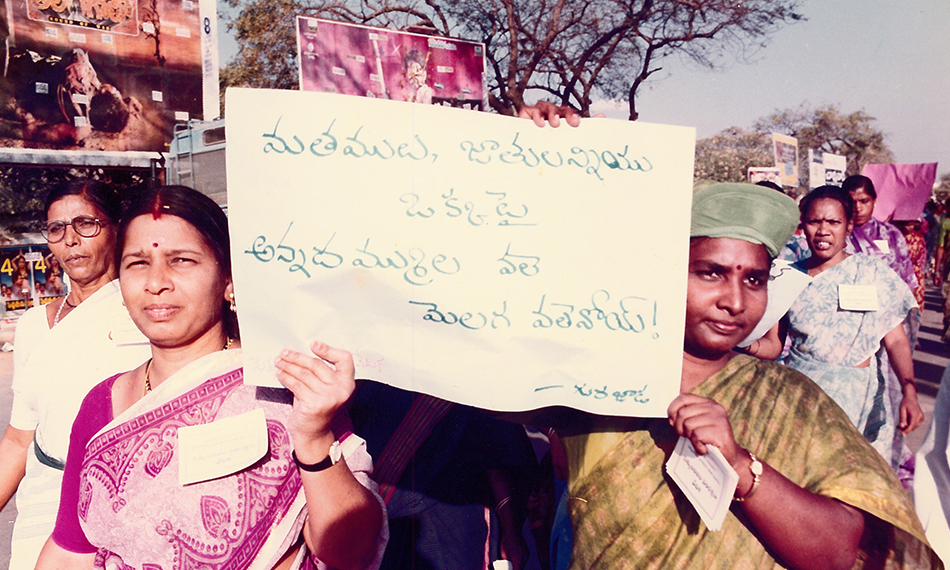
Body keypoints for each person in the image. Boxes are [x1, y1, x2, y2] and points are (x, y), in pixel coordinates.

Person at [556, 183, 939, 569]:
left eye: (754, 280)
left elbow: (838, 554)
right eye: (710, 273)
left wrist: (740, 468)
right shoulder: (595, 382)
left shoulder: (793, 400)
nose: (735, 302)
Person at [36, 185, 385, 570]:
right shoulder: (102, 404)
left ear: (229, 281)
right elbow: (71, 551)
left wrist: (315, 438)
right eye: (137, 263)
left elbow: (350, 552)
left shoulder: (288, 388)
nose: (156, 283)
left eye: (181, 260)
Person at [0, 179, 151, 569]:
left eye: (86, 224)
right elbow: (19, 440)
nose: (71, 240)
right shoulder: (34, 325)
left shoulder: (148, 312)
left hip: (125, 500)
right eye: (56, 229)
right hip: (43, 501)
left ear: (116, 228)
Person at [777, 186, 924, 480]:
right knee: (806, 484)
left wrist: (909, 389)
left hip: (859, 402)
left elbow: (895, 338)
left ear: (849, 226)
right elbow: (773, 345)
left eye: (833, 222)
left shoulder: (872, 273)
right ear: (802, 225)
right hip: (802, 397)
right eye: (814, 221)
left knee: (856, 486)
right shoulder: (787, 278)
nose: (822, 231)